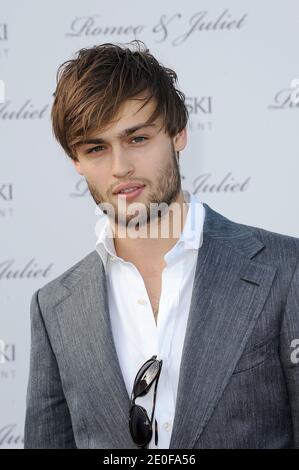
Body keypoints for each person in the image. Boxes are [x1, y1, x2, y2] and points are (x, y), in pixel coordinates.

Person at [24, 40, 299, 449]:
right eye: (96, 148)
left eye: (137, 139)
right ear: (75, 161)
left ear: (178, 132)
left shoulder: (286, 271)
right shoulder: (54, 308)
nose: (121, 168)